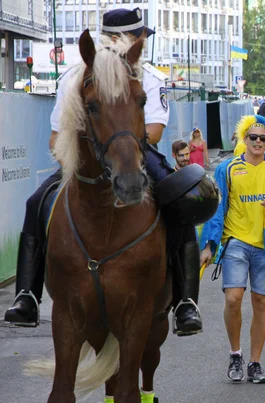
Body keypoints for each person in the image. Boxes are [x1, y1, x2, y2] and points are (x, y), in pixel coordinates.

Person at [4, 8, 207, 337]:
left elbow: (154, 131)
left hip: (135, 156)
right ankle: (27, 295)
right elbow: (57, 135)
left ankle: (185, 301)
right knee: (36, 202)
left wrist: (121, 144)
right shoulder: (75, 77)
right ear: (117, 39)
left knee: (177, 201)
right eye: (138, 37)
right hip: (86, 159)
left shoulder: (151, 78)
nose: (143, 44)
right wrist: (82, 153)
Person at [199, 115, 265, 384]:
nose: (257, 142)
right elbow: (217, 210)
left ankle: (255, 362)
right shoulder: (227, 169)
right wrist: (208, 246)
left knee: (261, 302)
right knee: (233, 298)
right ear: (244, 140)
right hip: (235, 242)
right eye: (252, 137)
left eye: (263, 138)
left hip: (264, 244)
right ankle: (235, 354)